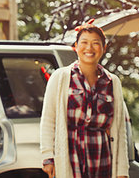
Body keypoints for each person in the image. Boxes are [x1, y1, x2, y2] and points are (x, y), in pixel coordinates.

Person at [40, 19, 129, 178]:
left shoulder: (112, 82)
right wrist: (48, 156)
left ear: (103, 48)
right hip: (70, 154)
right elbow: (48, 119)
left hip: (102, 156)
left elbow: (120, 130)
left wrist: (122, 170)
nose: (89, 48)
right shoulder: (60, 77)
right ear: (75, 47)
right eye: (84, 42)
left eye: (96, 43)